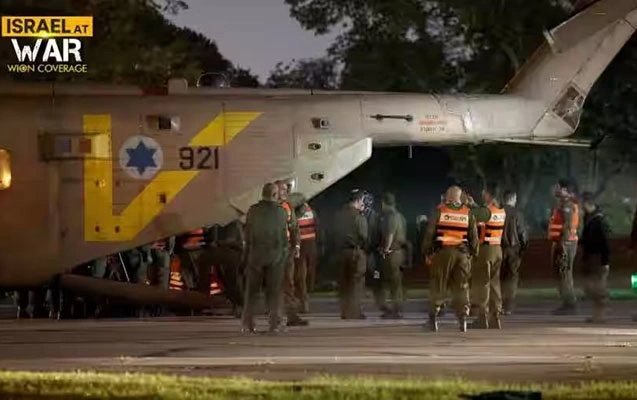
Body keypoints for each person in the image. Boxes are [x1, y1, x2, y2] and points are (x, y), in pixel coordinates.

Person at [422, 185, 479, 332]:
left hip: (443, 253)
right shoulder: (467, 213)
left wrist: (427, 251)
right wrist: (472, 253)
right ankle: (462, 320)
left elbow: (429, 234)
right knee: (461, 287)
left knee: (438, 285)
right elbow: (474, 237)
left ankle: (433, 320)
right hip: (462, 255)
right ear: (459, 197)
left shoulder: (440, 211)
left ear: (448, 196)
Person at [241, 182, 290, 333]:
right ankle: (274, 323)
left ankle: (248, 323)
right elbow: (283, 236)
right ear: (274, 195)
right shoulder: (281, 212)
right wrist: (284, 253)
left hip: (255, 255)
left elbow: (248, 235)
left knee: (252, 291)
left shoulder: (253, 211)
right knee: (274, 292)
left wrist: (247, 255)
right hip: (275, 256)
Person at [469, 183, 506, 329]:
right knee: (494, 284)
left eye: (484, 193)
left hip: (486, 250)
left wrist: (469, 204)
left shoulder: (485, 211)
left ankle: (482, 317)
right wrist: (475, 205)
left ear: (489, 194)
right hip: (497, 249)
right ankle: (495, 317)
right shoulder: (500, 210)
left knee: (482, 283)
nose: (482, 195)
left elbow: (472, 215)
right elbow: (484, 213)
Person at [275, 180, 309, 327]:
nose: (285, 192)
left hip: (286, 250)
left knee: (288, 283)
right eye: (282, 190)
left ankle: (291, 316)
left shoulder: (287, 206)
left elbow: (294, 228)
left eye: (286, 189)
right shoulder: (266, 208)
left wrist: (296, 245)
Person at [334, 190, 368, 319]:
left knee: (344, 283)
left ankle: (344, 311)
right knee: (356, 283)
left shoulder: (338, 215)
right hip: (355, 252)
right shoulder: (359, 216)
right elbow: (364, 236)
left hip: (341, 252)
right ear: (358, 201)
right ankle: (354, 312)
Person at [548, 179, 580, 315]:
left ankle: (569, 304)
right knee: (562, 273)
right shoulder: (563, 204)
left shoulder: (567, 205)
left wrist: (563, 244)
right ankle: (567, 302)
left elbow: (567, 226)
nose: (555, 189)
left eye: (558, 187)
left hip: (565, 243)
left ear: (565, 190)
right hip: (562, 242)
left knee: (564, 273)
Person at [374, 193, 408, 319]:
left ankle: (395, 310)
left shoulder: (390, 216)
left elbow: (390, 234)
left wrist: (385, 249)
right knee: (397, 282)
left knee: (392, 283)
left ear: (384, 203)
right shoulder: (400, 216)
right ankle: (396, 309)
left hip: (392, 253)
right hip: (399, 252)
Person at [579, 192, 611, 323]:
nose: (580, 207)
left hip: (598, 258)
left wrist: (605, 262)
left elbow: (605, 243)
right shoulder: (589, 218)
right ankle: (597, 314)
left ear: (586, 203)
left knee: (598, 288)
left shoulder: (598, 221)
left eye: (582, 203)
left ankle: (599, 316)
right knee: (591, 287)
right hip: (591, 258)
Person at [500, 190, 529, 315]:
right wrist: (524, 247)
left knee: (499, 276)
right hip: (513, 249)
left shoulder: (498, 212)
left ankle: (498, 304)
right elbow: (522, 232)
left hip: (499, 248)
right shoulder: (517, 214)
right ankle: (508, 305)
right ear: (512, 199)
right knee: (511, 277)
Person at [295, 202, 318, 313]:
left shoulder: (294, 213)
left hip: (301, 246)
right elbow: (317, 228)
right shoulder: (312, 212)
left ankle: (303, 302)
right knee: (307, 274)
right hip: (311, 245)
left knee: (300, 276)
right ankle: (305, 299)